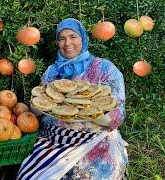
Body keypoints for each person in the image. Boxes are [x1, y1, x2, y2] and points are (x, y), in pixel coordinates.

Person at [17, 18, 128, 179]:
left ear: (83, 38)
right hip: (54, 141)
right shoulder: (51, 72)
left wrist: (91, 113)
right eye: (62, 38)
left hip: (93, 141)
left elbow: (118, 114)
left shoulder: (105, 68)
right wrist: (36, 108)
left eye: (73, 36)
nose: (67, 43)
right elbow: (40, 106)